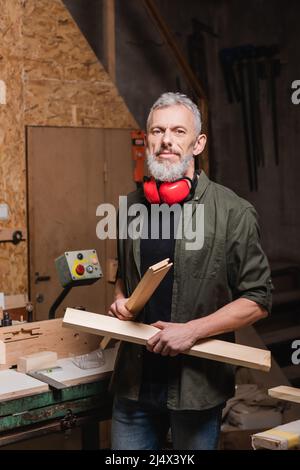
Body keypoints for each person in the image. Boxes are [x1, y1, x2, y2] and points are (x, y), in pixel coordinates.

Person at [108, 92, 272, 450]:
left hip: (196, 388)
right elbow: (123, 277)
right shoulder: (130, 207)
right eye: (157, 130)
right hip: (134, 386)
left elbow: (258, 299)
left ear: (198, 143)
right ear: (147, 140)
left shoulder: (233, 212)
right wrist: (122, 300)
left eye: (178, 131)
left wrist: (192, 331)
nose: (166, 140)